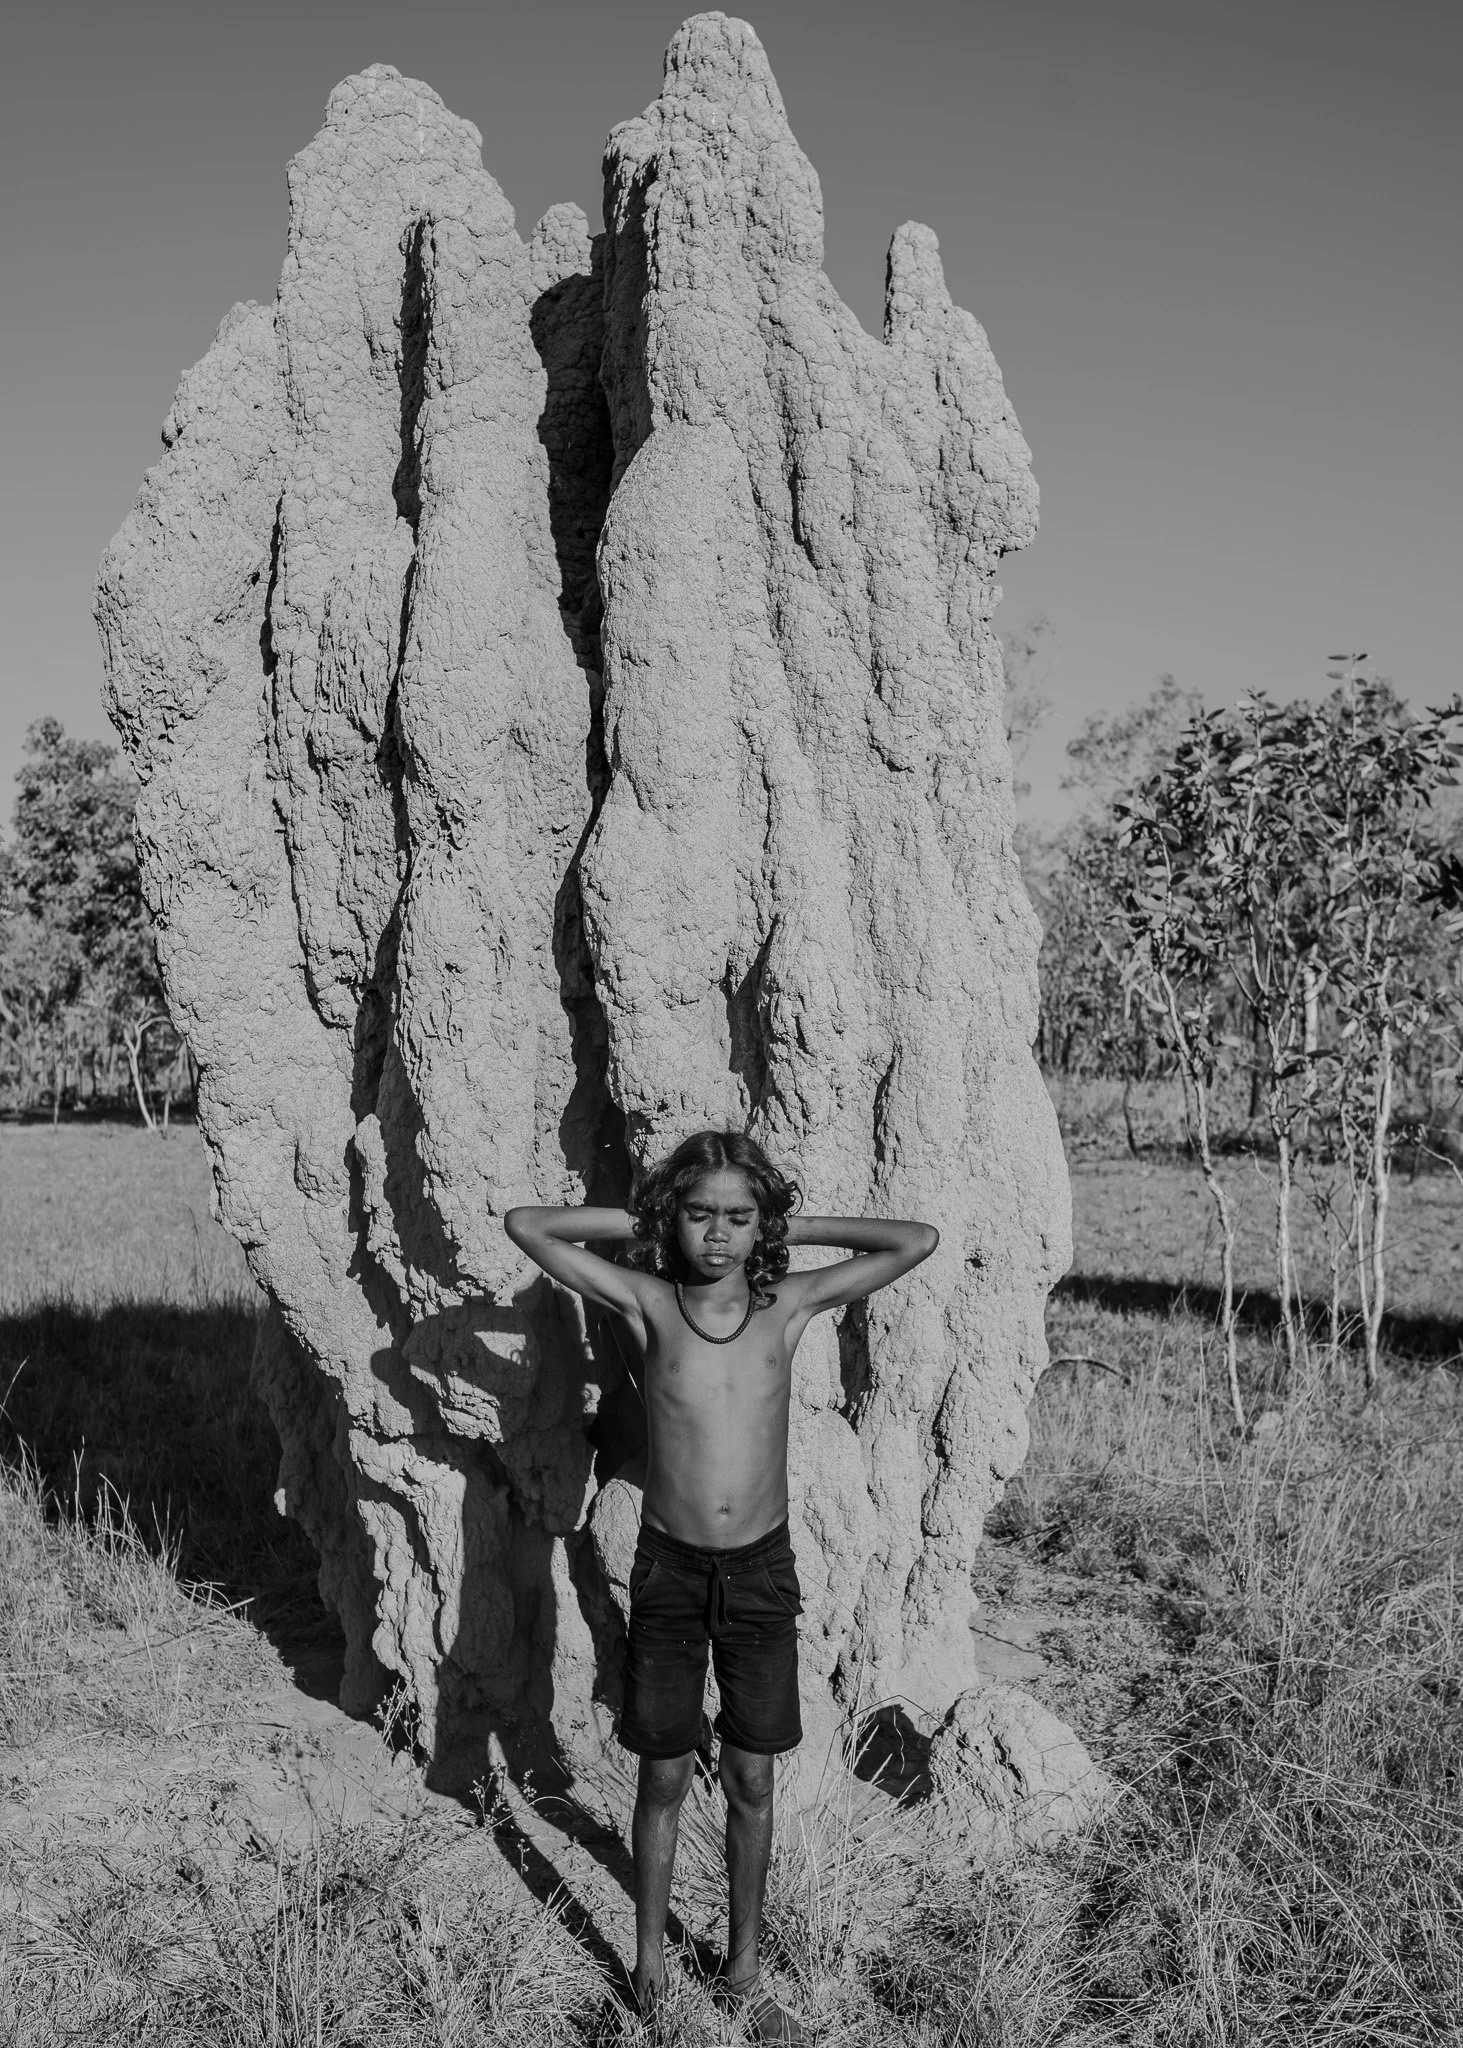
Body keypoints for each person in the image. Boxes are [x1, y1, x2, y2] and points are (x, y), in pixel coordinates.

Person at [505, 1129, 938, 2043]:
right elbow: (529, 1225)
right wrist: (656, 1216)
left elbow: (913, 1241)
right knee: (661, 1773)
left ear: (761, 1227)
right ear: (673, 1222)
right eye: (699, 1216)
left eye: (737, 1219)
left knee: (750, 1772)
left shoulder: (786, 1306)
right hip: (668, 1568)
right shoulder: (652, 1304)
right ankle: (650, 1971)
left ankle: (741, 1974)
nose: (717, 1235)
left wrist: (781, 1219)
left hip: (758, 1574)